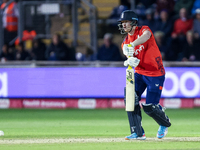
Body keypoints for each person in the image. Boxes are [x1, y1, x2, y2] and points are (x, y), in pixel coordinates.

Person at [117, 10, 171, 140]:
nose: (124, 25)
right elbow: (128, 55)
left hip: (155, 73)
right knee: (130, 97)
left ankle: (164, 123)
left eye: (126, 22)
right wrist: (128, 60)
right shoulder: (125, 42)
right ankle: (137, 132)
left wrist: (133, 44)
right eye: (122, 22)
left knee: (150, 107)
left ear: (134, 22)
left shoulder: (143, 30)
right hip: (140, 73)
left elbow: (146, 36)